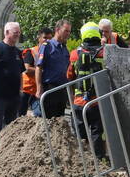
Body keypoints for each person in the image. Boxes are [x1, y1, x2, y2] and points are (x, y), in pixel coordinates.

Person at [68, 22, 107, 159]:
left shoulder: (75, 54)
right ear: (98, 33)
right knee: (97, 133)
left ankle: (82, 161)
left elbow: (69, 76)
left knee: (80, 134)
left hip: (79, 102)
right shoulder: (105, 52)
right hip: (98, 102)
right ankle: (99, 160)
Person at [35, 19, 72, 119]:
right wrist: (39, 88)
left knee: (60, 122)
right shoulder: (47, 46)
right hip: (50, 88)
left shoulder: (64, 49)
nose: (68, 34)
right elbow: (38, 68)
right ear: (57, 29)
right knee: (48, 121)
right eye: (66, 31)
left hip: (62, 89)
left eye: (69, 31)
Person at [21, 27, 53, 117]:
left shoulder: (51, 53)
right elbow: (27, 69)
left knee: (39, 113)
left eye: (50, 38)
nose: (47, 40)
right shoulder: (31, 51)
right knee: (19, 116)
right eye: (45, 38)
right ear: (39, 38)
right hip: (26, 90)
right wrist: (42, 71)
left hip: (39, 90)